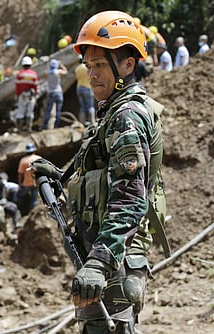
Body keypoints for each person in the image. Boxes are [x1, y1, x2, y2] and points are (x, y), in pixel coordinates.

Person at [30, 10, 166, 333]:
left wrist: (98, 263)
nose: (91, 75)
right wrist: (61, 176)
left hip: (113, 261)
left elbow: (130, 199)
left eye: (100, 65)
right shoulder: (112, 113)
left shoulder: (126, 118)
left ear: (128, 65)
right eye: (88, 66)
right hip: (106, 256)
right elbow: (105, 171)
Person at [15, 56, 38, 132]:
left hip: (22, 95)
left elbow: (17, 86)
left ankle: (19, 129)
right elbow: (35, 86)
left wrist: (17, 95)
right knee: (30, 111)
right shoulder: (34, 74)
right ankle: (29, 128)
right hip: (31, 94)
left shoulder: (20, 74)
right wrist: (35, 94)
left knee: (20, 111)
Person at [17, 143, 41, 216]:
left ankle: (21, 211)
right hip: (36, 182)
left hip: (26, 183)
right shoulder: (38, 158)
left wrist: (19, 182)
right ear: (34, 150)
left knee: (22, 197)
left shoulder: (23, 160)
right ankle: (32, 214)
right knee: (34, 199)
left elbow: (20, 173)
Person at [43, 59, 68, 129]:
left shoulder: (47, 73)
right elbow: (66, 71)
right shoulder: (58, 72)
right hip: (58, 92)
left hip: (50, 92)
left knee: (48, 110)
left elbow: (46, 75)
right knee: (58, 111)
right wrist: (61, 65)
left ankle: (45, 126)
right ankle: (56, 126)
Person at [75, 57, 95, 125]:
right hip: (87, 87)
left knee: (83, 106)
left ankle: (81, 122)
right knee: (90, 106)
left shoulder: (77, 68)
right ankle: (92, 122)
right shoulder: (86, 68)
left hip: (79, 88)